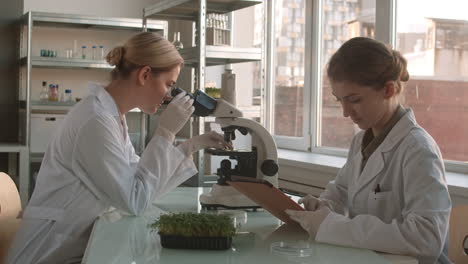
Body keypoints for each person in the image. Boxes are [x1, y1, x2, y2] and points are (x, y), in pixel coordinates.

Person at [7, 32, 230, 264]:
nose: (168, 96)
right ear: (144, 74)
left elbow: (141, 181)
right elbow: (135, 201)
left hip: (72, 247)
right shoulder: (96, 121)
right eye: (169, 84)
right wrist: (166, 132)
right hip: (47, 253)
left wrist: (190, 146)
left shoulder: (112, 116)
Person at [285, 37, 452, 264]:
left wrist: (332, 226)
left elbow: (427, 239)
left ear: (389, 90)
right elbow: (341, 191)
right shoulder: (362, 141)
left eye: (354, 100)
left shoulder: (418, 149)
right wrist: (322, 206)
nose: (345, 112)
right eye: (339, 100)